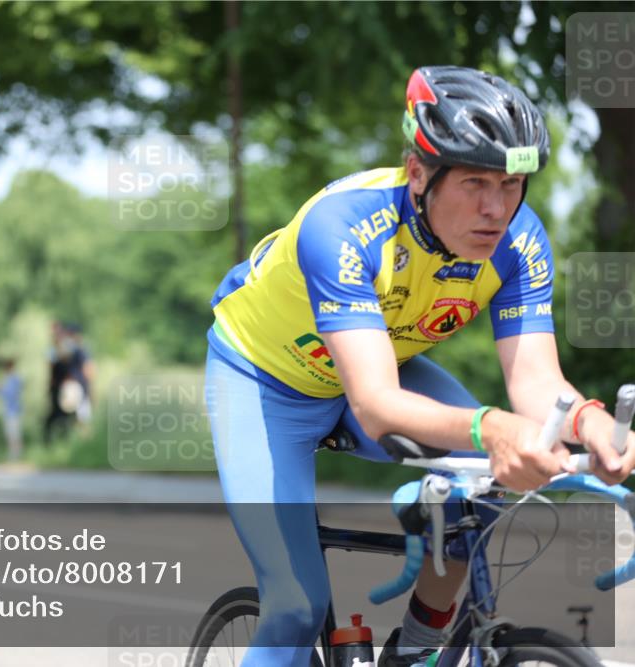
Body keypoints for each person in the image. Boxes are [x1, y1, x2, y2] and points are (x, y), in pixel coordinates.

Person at [204, 65, 635, 667]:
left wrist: (589, 423)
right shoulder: (344, 228)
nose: (496, 209)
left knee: (479, 497)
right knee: (296, 608)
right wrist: (492, 426)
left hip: (380, 367)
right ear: (418, 174)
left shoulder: (520, 241)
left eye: (512, 185)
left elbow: (537, 383)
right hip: (265, 382)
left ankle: (416, 650)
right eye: (475, 183)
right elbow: (376, 406)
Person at [0, 358, 24, 461]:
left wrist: (0, 389)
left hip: (13, 410)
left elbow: (11, 395)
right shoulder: (8, 379)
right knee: (9, 433)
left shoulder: (14, 379)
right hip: (8, 410)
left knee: (14, 433)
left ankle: (16, 454)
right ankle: (13, 453)